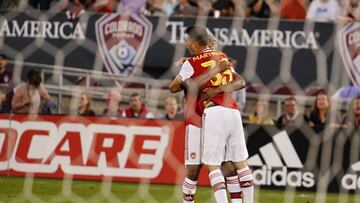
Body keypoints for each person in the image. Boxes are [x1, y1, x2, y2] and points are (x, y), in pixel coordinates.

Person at [170, 26, 253, 203]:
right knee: (194, 170)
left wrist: (213, 87)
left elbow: (173, 87)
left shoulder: (204, 61)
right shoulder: (209, 61)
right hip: (198, 118)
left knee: (226, 166)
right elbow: (177, 87)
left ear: (193, 43)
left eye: (187, 41)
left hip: (213, 113)